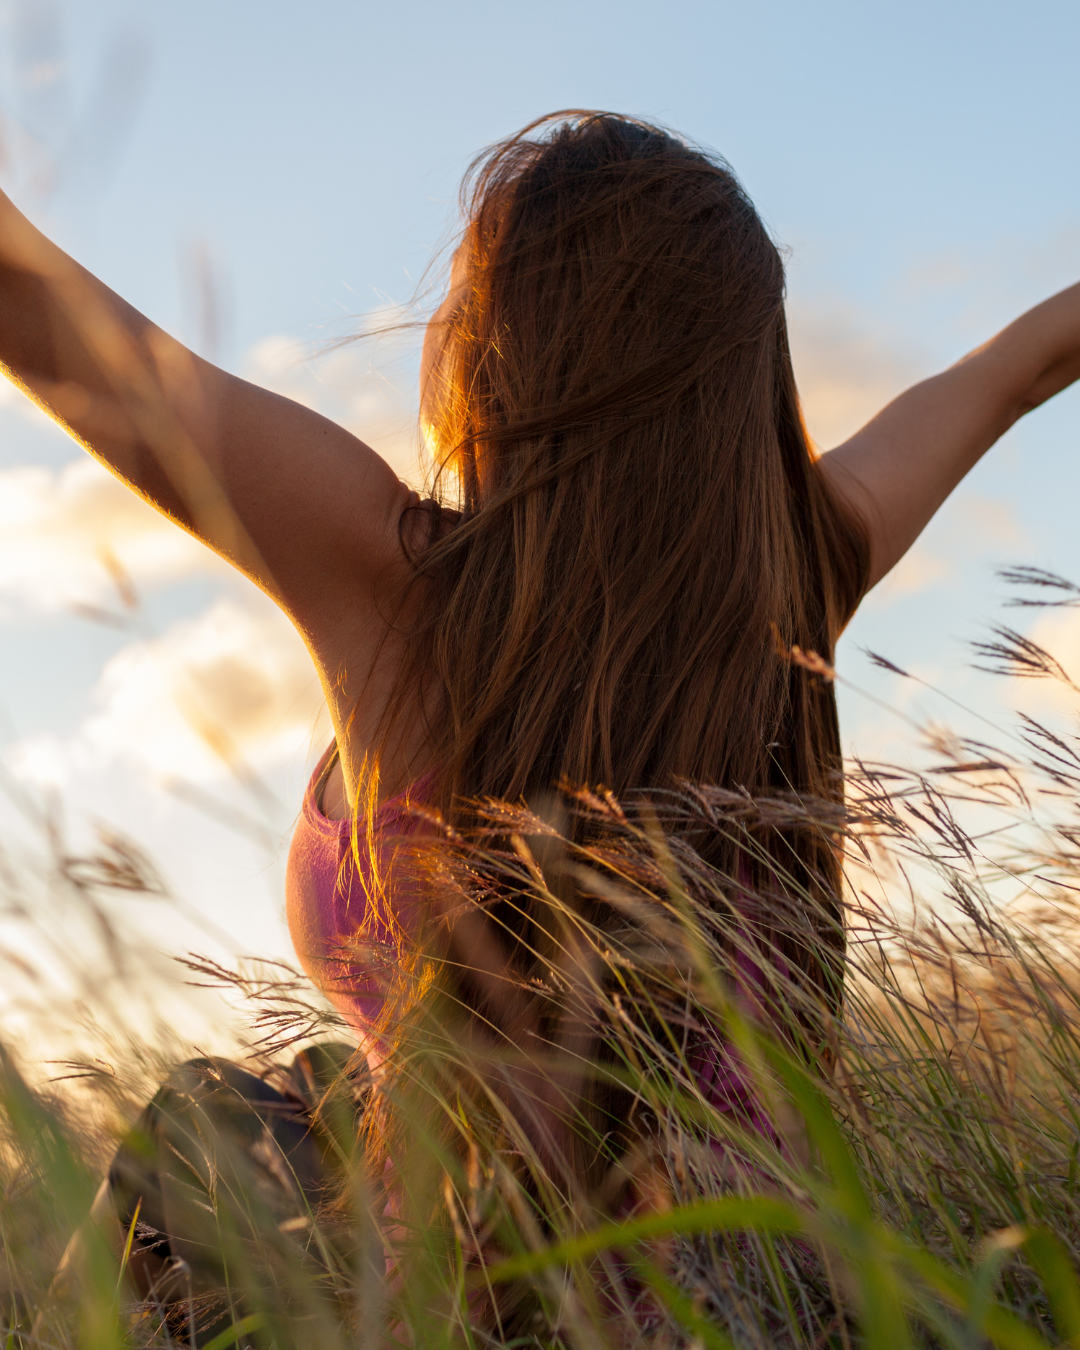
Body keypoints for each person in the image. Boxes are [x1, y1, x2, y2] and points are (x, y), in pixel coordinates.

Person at [4, 111, 1079, 1334]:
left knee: (191, 1134)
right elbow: (1018, 366)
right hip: (757, 1297)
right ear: (746, 380)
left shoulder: (397, 589)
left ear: (496, 352)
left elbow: (26, 303)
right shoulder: (808, 571)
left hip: (457, 1306)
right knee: (281, 1100)